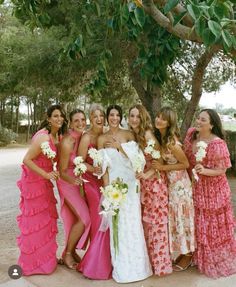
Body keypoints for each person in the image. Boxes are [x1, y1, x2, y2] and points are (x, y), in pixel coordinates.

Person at [98, 104, 152, 283]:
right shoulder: (101, 139)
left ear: (121, 117)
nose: (114, 118)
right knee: (118, 227)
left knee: (132, 225)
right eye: (111, 115)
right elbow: (104, 168)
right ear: (107, 117)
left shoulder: (129, 135)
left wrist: (120, 147)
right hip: (114, 187)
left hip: (130, 185)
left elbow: (139, 161)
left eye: (117, 115)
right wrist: (107, 191)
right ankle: (122, 269)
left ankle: (139, 268)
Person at [184, 108, 236, 278]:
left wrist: (204, 170)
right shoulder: (192, 134)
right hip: (197, 186)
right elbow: (186, 157)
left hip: (214, 189)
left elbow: (221, 170)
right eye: (198, 118)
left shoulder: (217, 143)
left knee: (213, 224)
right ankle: (199, 256)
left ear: (212, 125)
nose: (198, 121)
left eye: (203, 120)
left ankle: (214, 257)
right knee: (200, 222)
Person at [16, 104, 67, 275]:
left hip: (44, 180)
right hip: (35, 181)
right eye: (56, 116)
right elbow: (27, 160)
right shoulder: (43, 138)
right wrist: (46, 175)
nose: (59, 119)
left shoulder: (54, 135)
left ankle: (45, 261)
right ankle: (32, 263)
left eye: (61, 116)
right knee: (35, 222)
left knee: (46, 220)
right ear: (48, 118)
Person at [128, 104, 172, 276]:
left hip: (155, 184)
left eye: (138, 116)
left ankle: (161, 265)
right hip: (144, 186)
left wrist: (148, 174)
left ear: (143, 118)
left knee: (156, 225)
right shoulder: (134, 134)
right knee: (146, 224)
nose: (134, 119)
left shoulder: (147, 134)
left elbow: (159, 159)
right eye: (131, 115)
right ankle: (150, 264)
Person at [152, 107, 195, 271]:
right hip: (171, 184)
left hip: (180, 186)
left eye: (163, 118)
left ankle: (189, 254)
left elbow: (185, 164)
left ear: (169, 122)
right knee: (177, 218)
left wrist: (163, 168)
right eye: (157, 116)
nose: (158, 120)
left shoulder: (172, 142)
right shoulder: (162, 138)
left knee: (183, 218)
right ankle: (184, 251)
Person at [77, 104, 112, 279]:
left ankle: (107, 261)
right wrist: (93, 169)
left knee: (109, 219)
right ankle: (95, 265)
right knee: (100, 220)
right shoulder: (86, 137)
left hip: (107, 182)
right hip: (92, 184)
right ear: (90, 118)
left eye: (101, 115)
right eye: (95, 116)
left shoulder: (106, 133)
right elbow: (80, 162)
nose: (99, 119)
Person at [57, 109, 90, 269]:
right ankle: (68, 254)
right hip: (67, 183)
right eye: (76, 120)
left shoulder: (83, 137)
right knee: (84, 219)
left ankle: (70, 251)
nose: (80, 123)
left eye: (82, 119)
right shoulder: (67, 142)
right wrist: (74, 181)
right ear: (70, 123)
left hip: (78, 182)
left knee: (76, 219)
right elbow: (62, 171)